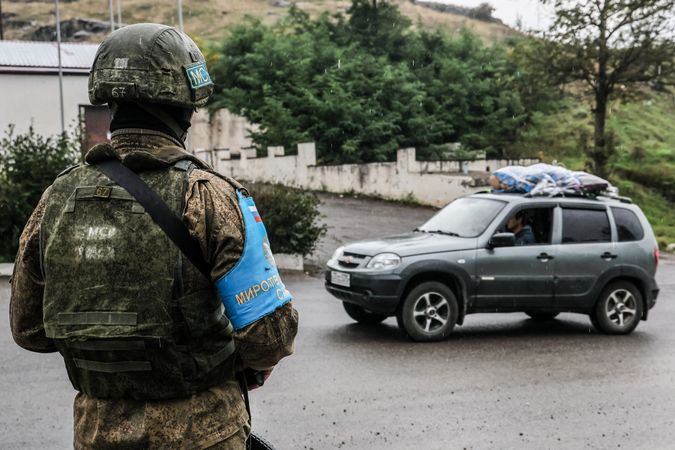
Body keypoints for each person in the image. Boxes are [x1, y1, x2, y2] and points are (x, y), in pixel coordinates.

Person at [9, 23, 298, 449]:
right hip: (205, 433)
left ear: (112, 102)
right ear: (185, 106)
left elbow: (28, 329)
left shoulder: (55, 198)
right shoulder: (211, 196)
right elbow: (268, 336)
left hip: (96, 433)